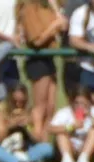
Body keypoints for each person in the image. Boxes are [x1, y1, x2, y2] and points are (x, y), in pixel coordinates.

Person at [17, 0, 65, 138]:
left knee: (51, 106)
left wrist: (55, 9)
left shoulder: (46, 8)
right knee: (40, 106)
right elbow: (36, 40)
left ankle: (45, 139)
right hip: (37, 60)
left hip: (49, 59)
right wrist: (54, 26)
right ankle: (36, 137)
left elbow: (62, 23)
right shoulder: (29, 9)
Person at [0, 83, 56, 162]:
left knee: (48, 148)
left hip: (27, 150)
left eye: (22, 102)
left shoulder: (33, 113)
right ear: (10, 99)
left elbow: (38, 139)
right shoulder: (3, 112)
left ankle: (11, 161)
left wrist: (27, 127)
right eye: (15, 101)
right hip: (8, 149)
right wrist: (10, 126)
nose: (18, 104)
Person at [50, 86, 94, 162]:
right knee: (61, 133)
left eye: (84, 103)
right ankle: (67, 159)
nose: (80, 106)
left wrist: (91, 117)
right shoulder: (64, 112)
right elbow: (51, 129)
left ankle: (84, 158)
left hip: (88, 147)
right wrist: (70, 127)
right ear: (72, 102)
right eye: (77, 103)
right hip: (70, 146)